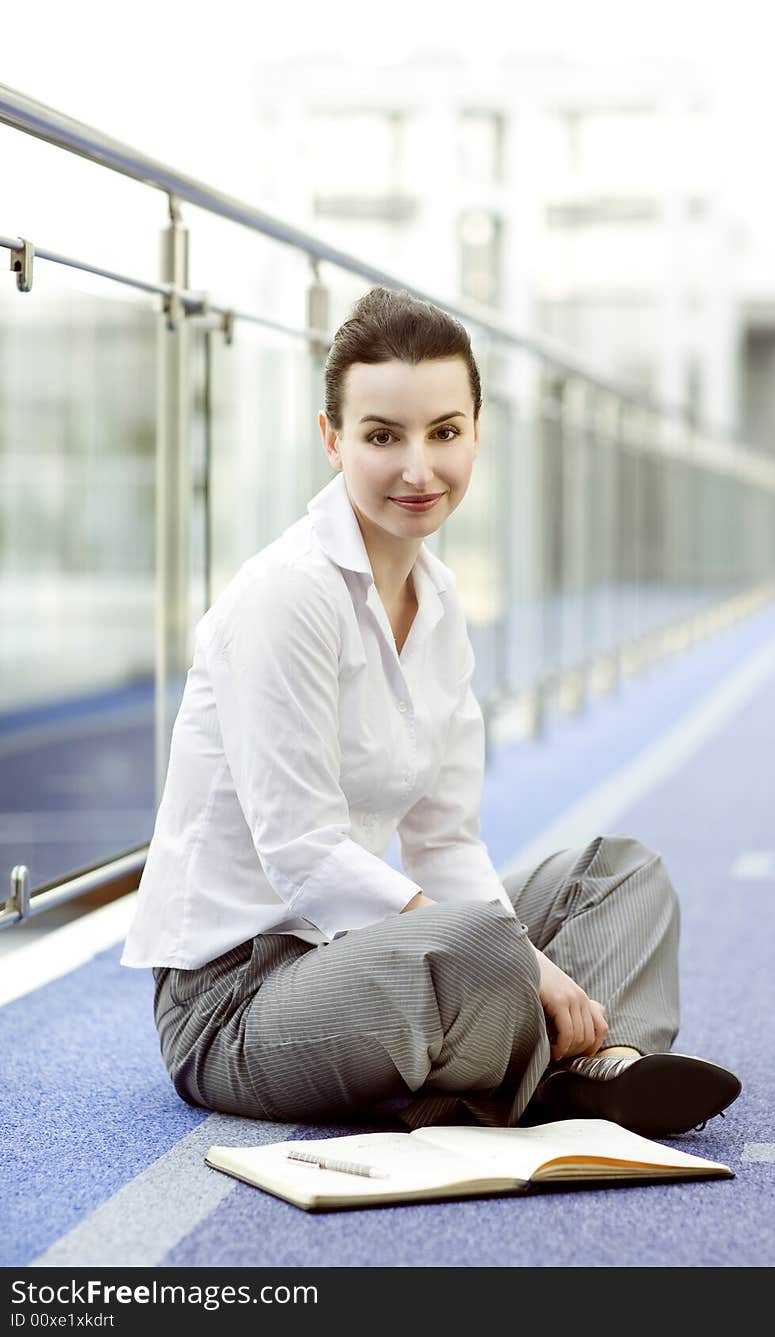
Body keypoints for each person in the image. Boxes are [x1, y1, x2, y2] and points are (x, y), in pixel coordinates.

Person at [120, 284, 741, 1136]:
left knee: (619, 874)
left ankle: (594, 1068)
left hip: (361, 957)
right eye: (383, 436)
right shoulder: (285, 598)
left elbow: (445, 840)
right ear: (332, 439)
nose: (419, 468)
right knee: (480, 950)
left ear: (478, 432)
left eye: (445, 432)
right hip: (237, 1003)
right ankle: (549, 1064)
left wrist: (513, 953)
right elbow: (302, 853)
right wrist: (525, 962)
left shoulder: (441, 605)